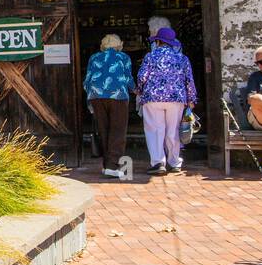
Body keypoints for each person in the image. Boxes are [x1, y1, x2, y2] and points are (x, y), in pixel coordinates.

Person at [135, 27, 196, 176]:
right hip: (176, 99)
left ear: (157, 41)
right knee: (173, 130)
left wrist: (139, 89)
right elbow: (189, 80)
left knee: (155, 130)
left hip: (153, 98)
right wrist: (191, 99)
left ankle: (158, 163)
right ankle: (174, 162)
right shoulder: (182, 58)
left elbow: (142, 77)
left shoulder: (150, 56)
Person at [83, 33, 133, 179]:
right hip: (118, 96)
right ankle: (113, 166)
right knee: (117, 130)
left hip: (96, 97)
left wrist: (91, 96)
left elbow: (87, 80)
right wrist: (136, 90)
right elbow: (128, 78)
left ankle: (107, 165)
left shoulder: (94, 57)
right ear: (119, 45)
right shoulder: (123, 57)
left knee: (103, 130)